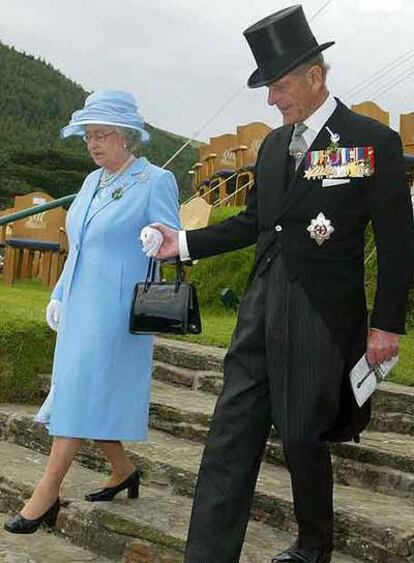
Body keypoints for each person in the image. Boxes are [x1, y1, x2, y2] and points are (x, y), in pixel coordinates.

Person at [144, 6, 414, 563]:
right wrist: (185, 243)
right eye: (267, 88)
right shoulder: (271, 147)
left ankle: (314, 546)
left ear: (316, 76)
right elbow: (254, 222)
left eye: (280, 85)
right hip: (260, 304)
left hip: (319, 311)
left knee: (300, 437)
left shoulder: (371, 143)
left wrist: (387, 323)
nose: (272, 100)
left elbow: (396, 242)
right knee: (229, 431)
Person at [4, 90, 180, 534]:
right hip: (81, 305)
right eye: (88, 136)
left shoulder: (155, 180)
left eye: (102, 135)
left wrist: (157, 243)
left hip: (119, 310)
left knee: (80, 391)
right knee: (85, 389)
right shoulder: (91, 181)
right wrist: (59, 293)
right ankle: (124, 472)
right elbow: (78, 245)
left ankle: (45, 493)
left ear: (127, 136)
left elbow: (172, 241)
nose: (94, 144)